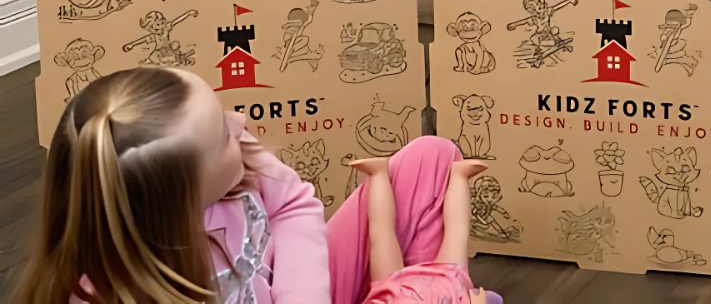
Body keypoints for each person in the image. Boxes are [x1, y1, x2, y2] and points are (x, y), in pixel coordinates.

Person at [12, 67, 329, 304]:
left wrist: (302, 294)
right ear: (181, 201)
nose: (239, 121)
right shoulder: (107, 292)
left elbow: (292, 205)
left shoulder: (239, 150)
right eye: (224, 136)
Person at [328, 136, 502, 304]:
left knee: (385, 236)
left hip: (408, 292)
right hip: (423, 291)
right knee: (384, 236)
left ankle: (457, 177)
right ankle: (379, 174)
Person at [351, 156, 488, 304]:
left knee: (382, 237)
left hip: (398, 293)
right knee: (456, 237)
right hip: (445, 289)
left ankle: (378, 174)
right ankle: (459, 177)